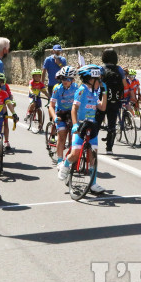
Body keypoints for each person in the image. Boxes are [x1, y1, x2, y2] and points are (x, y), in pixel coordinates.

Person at [57, 64, 107, 194]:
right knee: (75, 154)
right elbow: (74, 108)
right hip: (81, 125)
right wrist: (74, 124)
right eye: (99, 79)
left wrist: (105, 92)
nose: (100, 81)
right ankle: (65, 164)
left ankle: (93, 184)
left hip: (92, 125)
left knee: (93, 157)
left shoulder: (94, 92)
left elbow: (102, 107)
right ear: (91, 79)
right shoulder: (82, 90)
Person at [95, 48, 128, 155]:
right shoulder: (119, 70)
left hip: (103, 100)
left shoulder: (101, 69)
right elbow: (125, 85)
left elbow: (96, 84)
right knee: (112, 124)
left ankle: (92, 145)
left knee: (97, 123)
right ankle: (109, 148)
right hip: (115, 100)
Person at [49, 66, 79, 165]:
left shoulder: (76, 88)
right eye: (63, 78)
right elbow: (51, 106)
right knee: (62, 136)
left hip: (72, 113)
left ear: (73, 80)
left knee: (75, 135)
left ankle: (72, 156)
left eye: (68, 79)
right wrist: (54, 117)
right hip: (61, 112)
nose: (65, 81)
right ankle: (59, 160)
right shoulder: (57, 89)